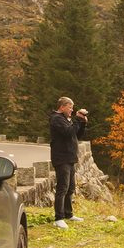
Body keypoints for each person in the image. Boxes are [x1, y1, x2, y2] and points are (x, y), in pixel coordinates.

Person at [49, 96, 88, 229]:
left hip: (70, 158)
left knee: (70, 188)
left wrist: (82, 123)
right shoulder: (56, 119)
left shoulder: (65, 119)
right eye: (70, 107)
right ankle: (58, 218)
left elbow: (76, 135)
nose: (72, 110)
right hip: (61, 158)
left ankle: (68, 214)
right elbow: (68, 132)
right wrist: (77, 119)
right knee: (62, 188)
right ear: (62, 107)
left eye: (72, 107)